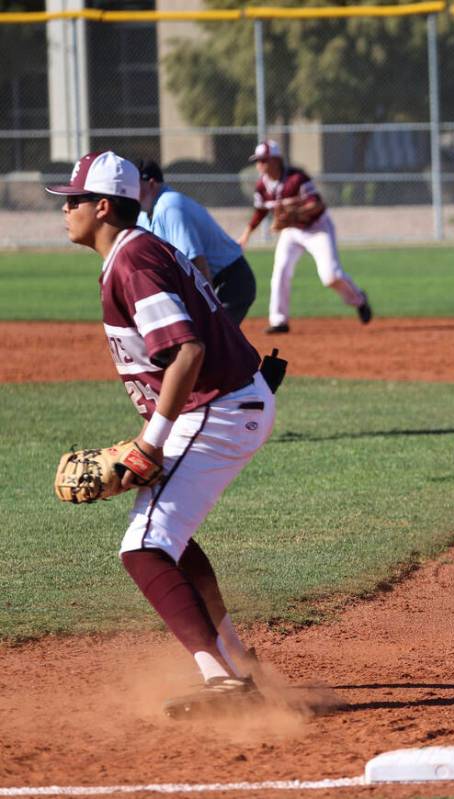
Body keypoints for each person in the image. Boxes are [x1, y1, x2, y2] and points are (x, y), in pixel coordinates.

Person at [46, 151, 275, 713]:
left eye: (73, 200)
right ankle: (235, 660)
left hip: (216, 408)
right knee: (166, 533)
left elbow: (188, 350)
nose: (66, 210)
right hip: (223, 402)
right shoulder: (138, 250)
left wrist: (153, 441)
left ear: (103, 207)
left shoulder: (133, 259)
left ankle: (225, 682)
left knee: (143, 546)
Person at [237, 140, 372, 334]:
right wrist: (246, 235)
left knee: (331, 275)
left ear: (276, 160)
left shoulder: (296, 179)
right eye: (257, 160)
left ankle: (359, 299)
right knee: (281, 272)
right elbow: (260, 212)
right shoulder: (262, 186)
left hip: (317, 228)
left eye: (263, 160)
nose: (259, 164)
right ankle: (279, 321)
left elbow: (316, 204)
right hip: (291, 232)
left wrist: (296, 212)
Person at [135, 159, 257, 326]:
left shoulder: (170, 207)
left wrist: (208, 307)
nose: (130, 191)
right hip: (213, 281)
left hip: (231, 282)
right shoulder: (145, 213)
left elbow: (197, 262)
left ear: (151, 183)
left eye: (135, 184)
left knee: (214, 337)